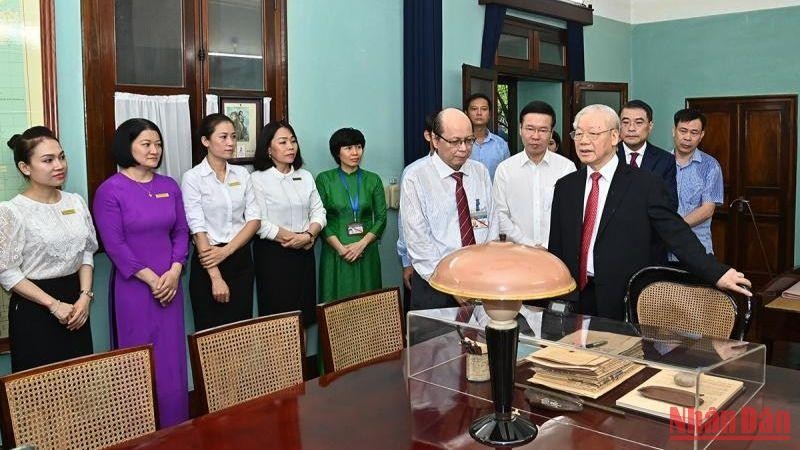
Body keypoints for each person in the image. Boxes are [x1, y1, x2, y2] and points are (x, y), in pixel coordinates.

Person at [548, 104, 751, 321]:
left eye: (593, 134)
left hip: (621, 298)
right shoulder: (566, 186)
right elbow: (558, 245)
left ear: (615, 136)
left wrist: (717, 272)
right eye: (578, 133)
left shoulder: (645, 184)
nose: (583, 141)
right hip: (574, 297)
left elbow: (675, 233)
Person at [93, 118, 190, 427]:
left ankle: (176, 426)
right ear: (127, 147)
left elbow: (181, 232)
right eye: (146, 144)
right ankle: (140, 430)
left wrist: (175, 270)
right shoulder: (110, 191)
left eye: (158, 144)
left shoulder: (169, 186)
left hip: (170, 285)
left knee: (171, 357)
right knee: (137, 358)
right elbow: (115, 244)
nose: (154, 150)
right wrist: (152, 279)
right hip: (134, 287)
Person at [0, 127, 96, 372]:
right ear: (25, 167)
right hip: (35, 307)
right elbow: (7, 272)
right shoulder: (12, 210)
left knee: (79, 381)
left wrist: (85, 296)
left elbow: (86, 251)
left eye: (61, 157)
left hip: (76, 303)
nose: (59, 165)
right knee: (40, 387)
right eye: (48, 160)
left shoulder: (75, 202)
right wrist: (53, 305)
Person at [401, 108, 498, 310]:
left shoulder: (480, 172)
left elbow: (492, 223)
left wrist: (484, 271)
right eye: (455, 142)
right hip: (434, 283)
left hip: (479, 280)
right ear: (435, 140)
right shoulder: (416, 177)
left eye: (469, 140)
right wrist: (450, 283)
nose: (463, 148)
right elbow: (418, 240)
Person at [181, 113, 260, 331]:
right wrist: (215, 277)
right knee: (211, 335)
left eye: (233, 137)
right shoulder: (193, 178)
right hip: (208, 261)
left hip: (240, 258)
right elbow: (197, 228)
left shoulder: (242, 174)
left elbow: (254, 219)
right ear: (206, 141)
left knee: (240, 332)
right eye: (223, 137)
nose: (230, 143)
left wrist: (227, 250)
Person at [251, 120, 325, 327]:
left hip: (304, 252)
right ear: (268, 149)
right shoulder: (257, 179)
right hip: (274, 254)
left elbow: (319, 211)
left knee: (303, 318)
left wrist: (308, 236)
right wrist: (295, 238)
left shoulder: (305, 176)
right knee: (278, 320)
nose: (290, 147)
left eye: (293, 141)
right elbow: (259, 222)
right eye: (283, 142)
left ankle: (301, 351)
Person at [316, 128, 386, 304]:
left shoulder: (373, 179)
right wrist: (341, 248)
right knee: (335, 305)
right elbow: (319, 219)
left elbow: (381, 218)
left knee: (368, 304)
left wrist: (361, 245)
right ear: (337, 152)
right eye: (348, 148)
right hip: (335, 252)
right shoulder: (324, 179)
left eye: (359, 147)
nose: (355, 152)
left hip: (366, 251)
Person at [493, 101, 576, 248]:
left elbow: (571, 214)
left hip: (556, 252)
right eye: (530, 129)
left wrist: (546, 246)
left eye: (543, 130)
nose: (535, 136)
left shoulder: (566, 168)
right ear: (520, 129)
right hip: (517, 251)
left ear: (551, 133)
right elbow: (500, 215)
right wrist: (527, 245)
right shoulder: (505, 169)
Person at [672, 108, 724, 256]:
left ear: (701, 135)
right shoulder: (661, 162)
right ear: (674, 131)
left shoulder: (710, 166)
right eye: (683, 131)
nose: (687, 137)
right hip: (662, 249)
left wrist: (673, 228)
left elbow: (707, 209)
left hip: (697, 249)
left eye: (694, 132)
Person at [397, 112, 437, 295]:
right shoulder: (413, 173)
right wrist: (407, 261)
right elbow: (405, 223)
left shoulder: (476, 171)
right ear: (429, 136)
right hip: (425, 265)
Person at [617, 99, 679, 210]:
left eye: (638, 123)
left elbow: (670, 204)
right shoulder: (607, 156)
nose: (631, 128)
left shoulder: (665, 160)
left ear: (650, 126)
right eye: (625, 122)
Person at [464, 93, 510, 180]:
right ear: (466, 113)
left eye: (484, 109)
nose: (479, 113)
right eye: (474, 109)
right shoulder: (459, 144)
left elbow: (507, 176)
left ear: (489, 114)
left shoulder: (501, 145)